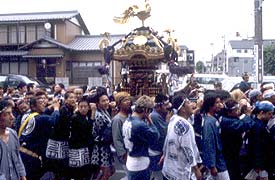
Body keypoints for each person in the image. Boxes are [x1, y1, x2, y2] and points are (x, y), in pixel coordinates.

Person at [19, 91, 60, 180]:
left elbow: (43, 112)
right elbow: (53, 120)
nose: (44, 105)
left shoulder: (27, 115)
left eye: (44, 103)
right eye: (40, 103)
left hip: (22, 152)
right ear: (33, 106)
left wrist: (50, 107)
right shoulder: (40, 118)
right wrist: (56, 108)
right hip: (31, 157)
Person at [162, 95, 202, 180]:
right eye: (188, 103)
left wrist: (165, 154)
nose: (192, 104)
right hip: (178, 173)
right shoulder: (185, 126)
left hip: (168, 170)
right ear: (183, 109)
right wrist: (196, 170)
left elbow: (167, 140)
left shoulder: (173, 119)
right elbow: (188, 149)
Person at [122, 95, 160, 180]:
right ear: (146, 110)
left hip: (131, 159)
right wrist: (150, 121)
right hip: (140, 163)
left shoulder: (127, 121)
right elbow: (156, 136)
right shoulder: (140, 125)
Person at [201, 92, 230, 180]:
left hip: (219, 160)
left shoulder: (214, 118)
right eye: (217, 103)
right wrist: (212, 165)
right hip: (217, 163)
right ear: (210, 105)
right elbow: (209, 144)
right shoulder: (209, 123)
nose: (220, 105)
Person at [91, 88, 115, 180]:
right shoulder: (99, 115)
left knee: (108, 172)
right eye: (103, 101)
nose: (106, 102)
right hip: (101, 148)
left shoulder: (104, 112)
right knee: (106, 173)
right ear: (98, 103)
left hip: (105, 147)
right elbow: (107, 131)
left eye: (107, 100)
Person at [0, 100, 26, 180]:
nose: (12, 117)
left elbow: (17, 158)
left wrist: (23, 176)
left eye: (11, 113)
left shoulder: (13, 133)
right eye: (7, 114)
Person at [148, 93, 171, 180]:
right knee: (157, 176)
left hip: (157, 151)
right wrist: (168, 121)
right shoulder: (155, 116)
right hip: (155, 152)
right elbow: (164, 133)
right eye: (165, 105)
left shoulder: (158, 115)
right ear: (158, 106)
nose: (168, 107)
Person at [112, 91, 132, 178]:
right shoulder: (117, 119)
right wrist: (123, 155)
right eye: (125, 100)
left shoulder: (130, 116)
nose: (128, 102)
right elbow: (117, 139)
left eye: (128, 100)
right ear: (119, 104)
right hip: (125, 153)